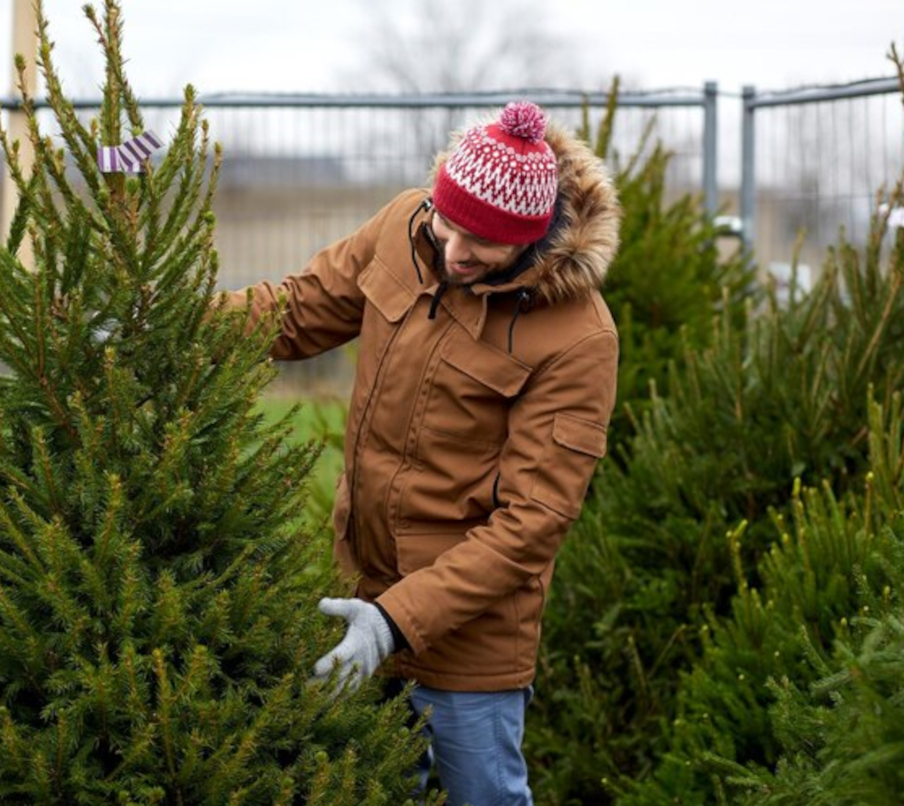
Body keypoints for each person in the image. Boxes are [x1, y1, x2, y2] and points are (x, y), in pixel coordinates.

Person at [234, 101, 620, 805]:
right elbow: (299, 308)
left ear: (532, 239)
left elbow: (532, 523)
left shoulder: (577, 336)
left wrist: (393, 623)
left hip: (472, 643)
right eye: (450, 224)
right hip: (361, 596)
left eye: (484, 243)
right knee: (368, 788)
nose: (454, 252)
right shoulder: (403, 228)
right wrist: (165, 321)